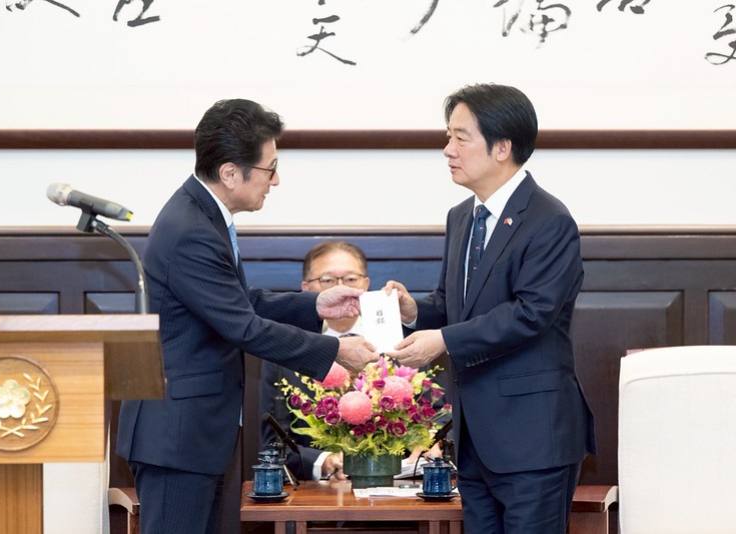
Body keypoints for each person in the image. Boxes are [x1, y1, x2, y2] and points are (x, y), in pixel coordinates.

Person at [116, 99, 378, 534]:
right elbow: (242, 326)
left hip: (193, 432)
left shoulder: (204, 216)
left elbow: (239, 303)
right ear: (231, 173)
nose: (275, 181)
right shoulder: (191, 230)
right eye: (269, 169)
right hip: (177, 436)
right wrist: (336, 349)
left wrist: (315, 305)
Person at [385, 84, 595, 533]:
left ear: (502, 147)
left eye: (461, 138)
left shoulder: (549, 220)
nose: (447, 150)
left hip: (533, 439)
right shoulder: (462, 216)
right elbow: (452, 306)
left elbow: (531, 313)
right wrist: (413, 313)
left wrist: (442, 341)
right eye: (448, 136)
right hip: (476, 439)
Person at [259, 241, 371, 482]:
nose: (341, 290)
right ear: (306, 289)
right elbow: (274, 442)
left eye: (351, 279)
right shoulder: (284, 353)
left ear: (366, 284)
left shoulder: (397, 344)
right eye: (328, 281)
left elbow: (436, 422)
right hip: (314, 494)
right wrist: (323, 461)